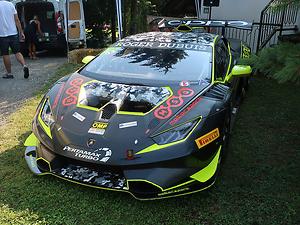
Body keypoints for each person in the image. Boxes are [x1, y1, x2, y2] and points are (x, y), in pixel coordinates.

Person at [0, 0, 29, 79]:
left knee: (5, 54)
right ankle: (24, 66)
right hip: (13, 33)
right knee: (17, 52)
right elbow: (17, 20)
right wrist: (21, 32)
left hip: (2, 35)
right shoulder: (10, 4)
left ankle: (9, 73)